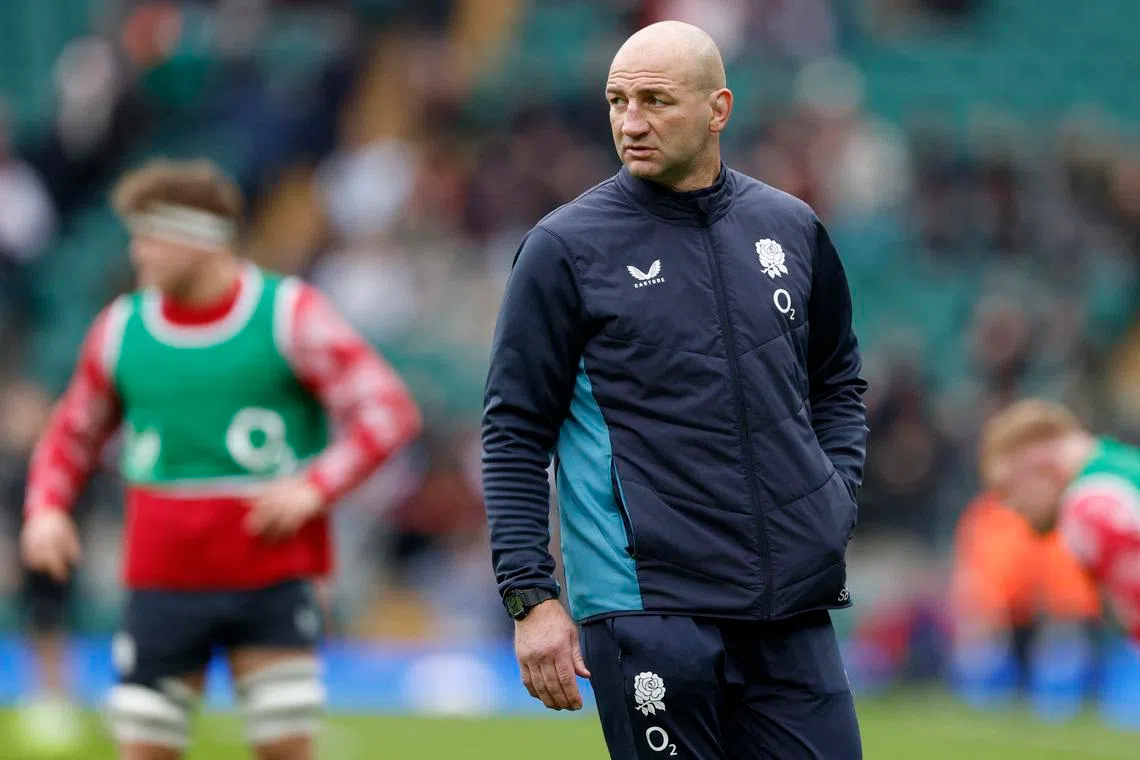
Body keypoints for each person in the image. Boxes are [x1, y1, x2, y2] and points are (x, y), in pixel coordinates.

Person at [482, 20, 867, 760]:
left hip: (789, 604)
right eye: (617, 101)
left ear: (718, 109)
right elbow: (515, 432)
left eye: (655, 101)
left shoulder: (791, 228)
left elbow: (837, 381)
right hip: (647, 607)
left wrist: (831, 499)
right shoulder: (564, 249)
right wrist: (531, 597)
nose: (631, 122)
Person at [20, 159, 421, 760]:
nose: (137, 253)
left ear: (199, 239)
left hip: (272, 577)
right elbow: (71, 433)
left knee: (283, 747)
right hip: (160, 579)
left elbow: (387, 410)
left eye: (150, 236)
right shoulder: (121, 328)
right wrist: (46, 509)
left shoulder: (287, 314)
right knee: (146, 748)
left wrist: (315, 486)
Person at [980, 398, 1140, 640]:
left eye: (1007, 488)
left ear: (1038, 461)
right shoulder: (1123, 467)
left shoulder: (1090, 506)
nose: (1011, 507)